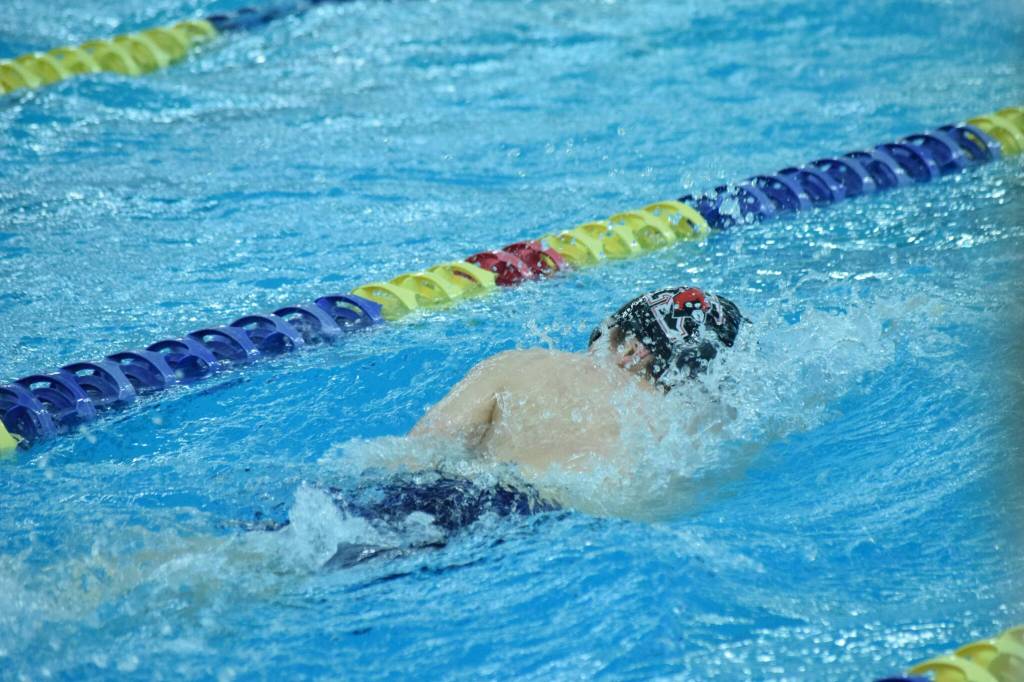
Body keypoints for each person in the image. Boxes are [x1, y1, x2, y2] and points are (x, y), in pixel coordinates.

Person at [319, 286, 745, 568]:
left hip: (450, 491)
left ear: (630, 349)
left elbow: (417, 452)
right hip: (534, 528)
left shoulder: (523, 364)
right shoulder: (691, 428)